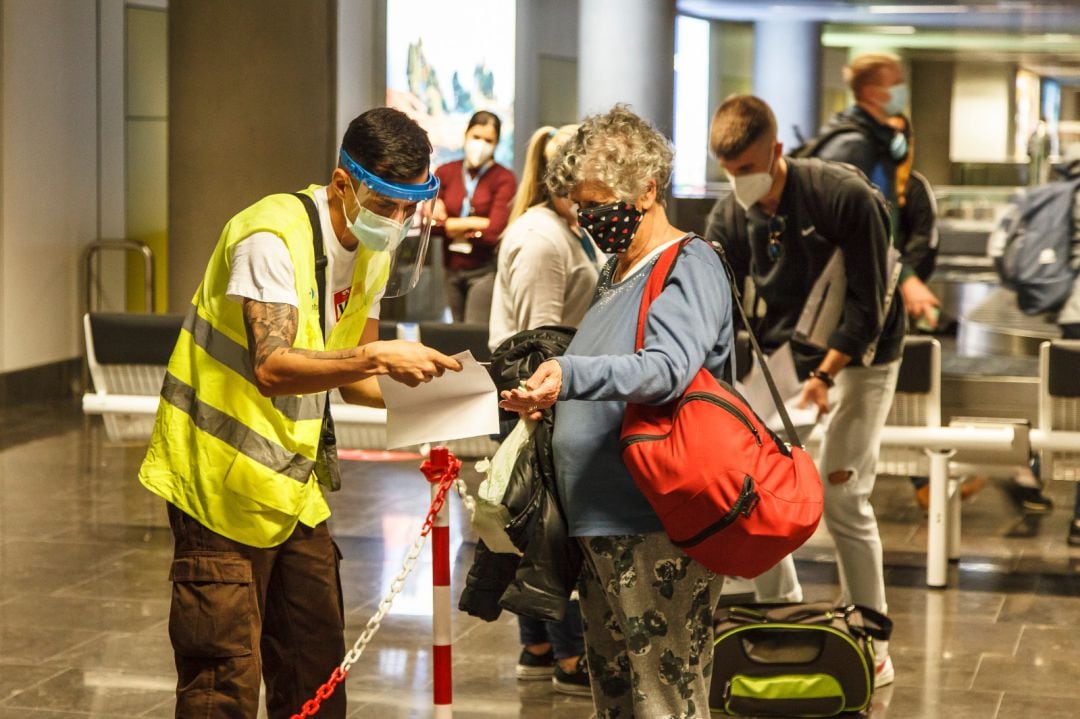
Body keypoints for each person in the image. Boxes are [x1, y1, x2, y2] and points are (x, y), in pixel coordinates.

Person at [138, 107, 462, 719]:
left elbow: (360, 380)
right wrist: (375, 355)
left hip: (291, 488)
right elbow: (275, 367)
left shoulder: (374, 251)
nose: (396, 221)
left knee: (315, 668)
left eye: (408, 208)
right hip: (215, 483)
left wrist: (457, 402)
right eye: (385, 203)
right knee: (223, 679)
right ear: (343, 182)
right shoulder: (270, 236)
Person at [499, 105, 734, 718]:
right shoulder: (616, 270)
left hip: (655, 525)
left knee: (665, 698)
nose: (591, 217)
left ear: (648, 189)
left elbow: (667, 367)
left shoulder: (690, 263)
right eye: (582, 205)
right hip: (603, 523)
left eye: (600, 202)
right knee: (617, 697)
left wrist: (570, 374)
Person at [705, 95, 905, 687]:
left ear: (777, 151)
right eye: (729, 171)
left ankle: (873, 636)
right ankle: (781, 613)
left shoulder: (842, 195)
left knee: (844, 490)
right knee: (753, 488)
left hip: (864, 357)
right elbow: (725, 304)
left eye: (748, 168)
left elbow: (871, 302)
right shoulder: (730, 216)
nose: (740, 182)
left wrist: (825, 378)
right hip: (788, 359)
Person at [488, 123, 597, 696]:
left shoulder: (564, 228)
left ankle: (539, 647)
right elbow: (538, 343)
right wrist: (540, 410)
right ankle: (568, 656)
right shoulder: (540, 239)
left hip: (549, 396)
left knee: (537, 527)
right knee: (548, 532)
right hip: (533, 401)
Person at [432, 110, 518, 323]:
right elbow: (433, 227)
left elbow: (494, 232)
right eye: (476, 137)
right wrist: (477, 222)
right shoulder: (445, 172)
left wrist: (451, 224)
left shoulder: (504, 178)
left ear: (497, 143)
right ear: (466, 134)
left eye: (488, 140)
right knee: (456, 330)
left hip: (483, 271)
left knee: (473, 332)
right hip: (450, 268)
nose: (481, 144)